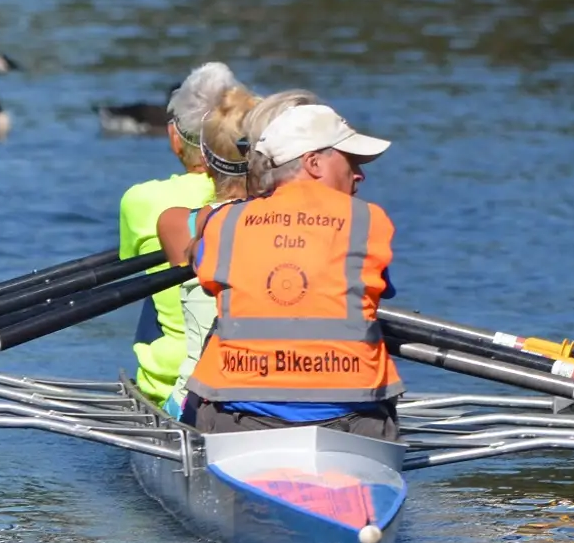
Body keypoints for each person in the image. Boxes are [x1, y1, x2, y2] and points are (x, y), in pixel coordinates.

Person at [180, 102, 402, 440]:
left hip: (239, 411)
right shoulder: (369, 219)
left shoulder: (224, 222)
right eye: (351, 161)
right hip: (351, 413)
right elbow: (374, 286)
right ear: (313, 162)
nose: (360, 174)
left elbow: (204, 267)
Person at [155, 89, 319, 419]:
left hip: (197, 397)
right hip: (297, 392)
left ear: (203, 154)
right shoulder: (306, 223)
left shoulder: (176, 223)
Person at [118, 62, 247, 406]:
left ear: (174, 137)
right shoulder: (270, 198)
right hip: (253, 370)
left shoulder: (141, 200)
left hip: (172, 378)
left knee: (155, 285)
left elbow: (129, 264)